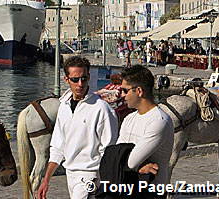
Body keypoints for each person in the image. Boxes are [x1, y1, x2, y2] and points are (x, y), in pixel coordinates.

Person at [37, 56, 118, 199]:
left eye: (84, 78)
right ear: (66, 80)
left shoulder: (102, 109)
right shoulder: (63, 107)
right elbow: (57, 147)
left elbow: (109, 150)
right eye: (75, 79)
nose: (80, 84)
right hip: (70, 174)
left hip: (91, 175)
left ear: (88, 77)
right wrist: (46, 180)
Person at [118, 65, 174, 198]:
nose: (122, 95)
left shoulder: (158, 121)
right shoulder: (129, 118)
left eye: (125, 90)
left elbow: (130, 161)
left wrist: (133, 164)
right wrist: (139, 166)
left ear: (139, 91)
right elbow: (115, 152)